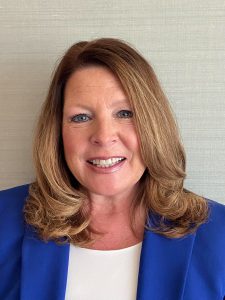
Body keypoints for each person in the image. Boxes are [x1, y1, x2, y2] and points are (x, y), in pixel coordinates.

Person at [0, 38, 225, 300]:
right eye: (81, 117)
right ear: (57, 133)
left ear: (153, 124)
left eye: (125, 113)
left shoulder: (219, 235)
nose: (104, 137)